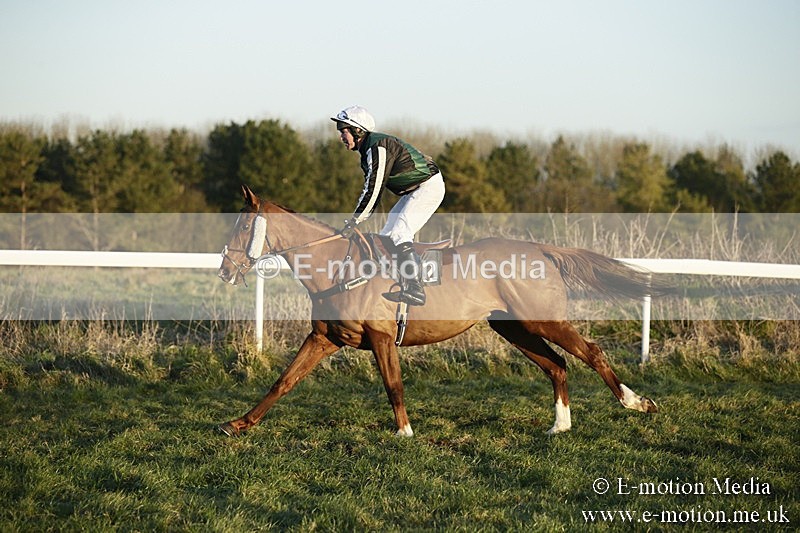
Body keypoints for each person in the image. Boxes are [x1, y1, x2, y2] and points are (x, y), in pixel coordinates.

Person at [332, 105, 445, 306]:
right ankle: (393, 281)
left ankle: (415, 289)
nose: (341, 137)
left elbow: (373, 190)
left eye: (344, 131)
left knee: (400, 232)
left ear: (358, 130)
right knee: (386, 236)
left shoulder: (378, 148)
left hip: (428, 187)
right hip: (415, 190)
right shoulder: (368, 150)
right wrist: (356, 219)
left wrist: (356, 220)